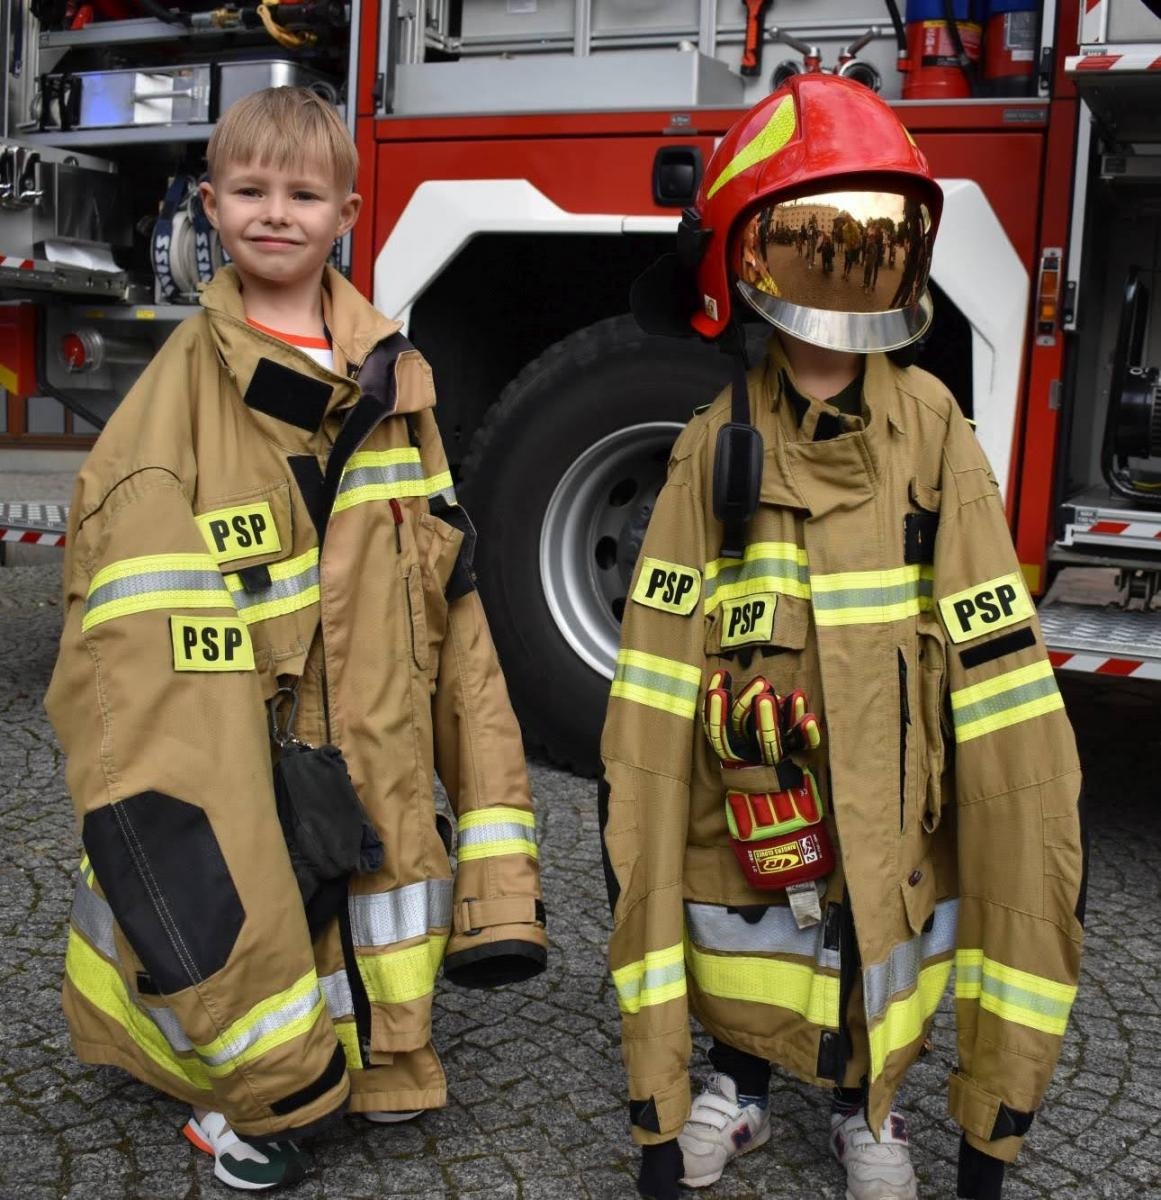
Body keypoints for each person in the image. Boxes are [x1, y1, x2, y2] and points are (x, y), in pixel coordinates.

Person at [45, 86, 547, 1192]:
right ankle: (260, 1083)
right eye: (253, 191)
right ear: (211, 208)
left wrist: (500, 897)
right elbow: (147, 724)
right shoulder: (169, 415)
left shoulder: (395, 383)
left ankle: (377, 1053)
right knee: (272, 868)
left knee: (367, 863)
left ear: (348, 214)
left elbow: (452, 619)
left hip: (370, 748)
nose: (278, 214)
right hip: (254, 772)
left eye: (304, 194)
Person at [605, 74, 1084, 1200]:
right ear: (741, 270)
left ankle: (877, 1107)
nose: (837, 286)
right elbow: (651, 696)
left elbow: (998, 665)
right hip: (755, 792)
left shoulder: (932, 434)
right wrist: (655, 1112)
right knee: (745, 934)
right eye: (812, 246)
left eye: (865, 248)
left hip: (894, 787)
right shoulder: (710, 448)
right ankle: (735, 1087)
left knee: (883, 927)